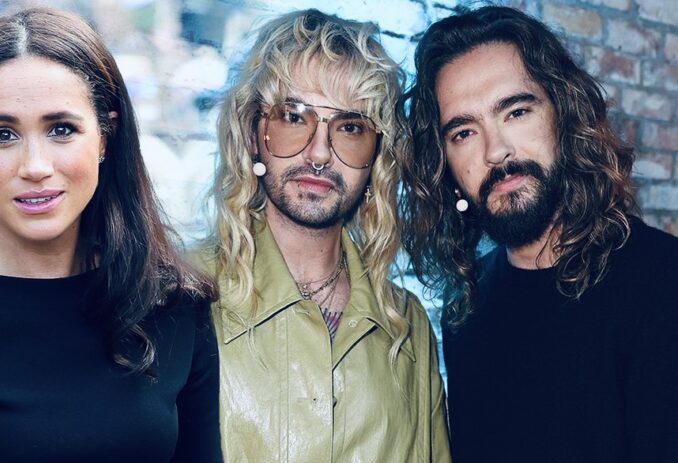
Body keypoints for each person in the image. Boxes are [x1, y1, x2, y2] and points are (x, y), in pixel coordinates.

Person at [0, 8, 222, 462]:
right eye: (2, 134)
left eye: (61, 130)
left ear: (105, 135)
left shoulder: (173, 305)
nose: (35, 166)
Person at [402, 5, 678, 463]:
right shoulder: (464, 307)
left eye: (516, 112)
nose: (496, 151)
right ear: (445, 166)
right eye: (464, 132)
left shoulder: (662, 282)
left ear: (563, 117)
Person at [196, 9, 450, 463]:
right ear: (253, 134)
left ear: (376, 155)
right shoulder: (182, 291)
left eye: (350, 127)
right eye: (293, 117)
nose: (319, 154)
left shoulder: (408, 326)